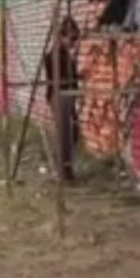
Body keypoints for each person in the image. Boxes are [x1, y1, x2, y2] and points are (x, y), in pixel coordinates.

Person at [43, 17, 81, 182]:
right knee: (64, 134)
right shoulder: (55, 55)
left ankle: (66, 169)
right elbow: (59, 77)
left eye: (75, 39)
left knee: (71, 133)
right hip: (60, 96)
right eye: (71, 39)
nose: (73, 43)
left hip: (68, 95)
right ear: (62, 36)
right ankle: (63, 172)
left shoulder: (64, 54)